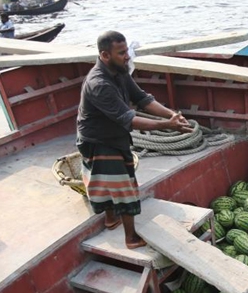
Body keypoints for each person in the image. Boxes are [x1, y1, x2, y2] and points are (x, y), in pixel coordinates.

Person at [76, 30, 192, 249]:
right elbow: (128, 119)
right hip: (98, 140)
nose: (127, 56)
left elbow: (142, 99)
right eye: (121, 53)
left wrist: (170, 114)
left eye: (126, 51)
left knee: (109, 183)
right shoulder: (99, 84)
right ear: (105, 55)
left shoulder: (119, 72)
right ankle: (131, 238)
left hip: (113, 134)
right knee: (124, 188)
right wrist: (167, 126)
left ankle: (111, 220)